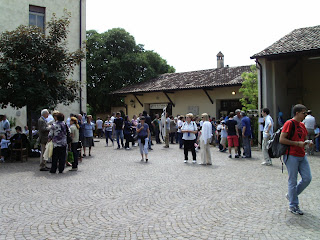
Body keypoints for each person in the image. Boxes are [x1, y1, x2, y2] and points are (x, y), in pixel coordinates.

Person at [279, 104, 312, 215]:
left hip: (302, 155)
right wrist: (297, 144)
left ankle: (291, 195)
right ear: (297, 113)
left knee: (307, 178)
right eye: (304, 113)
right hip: (291, 155)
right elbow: (282, 139)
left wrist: (307, 143)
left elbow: (304, 138)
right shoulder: (289, 123)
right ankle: (293, 205)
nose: (305, 115)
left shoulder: (302, 125)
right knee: (292, 180)